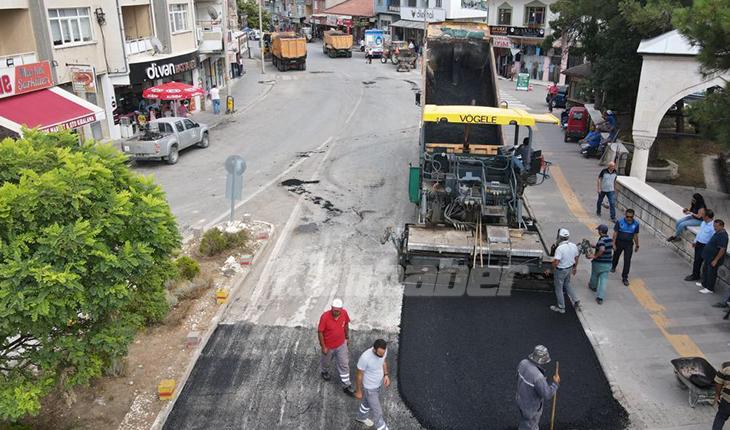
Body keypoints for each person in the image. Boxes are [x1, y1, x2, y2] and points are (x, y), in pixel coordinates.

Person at [516, 345, 559, 430]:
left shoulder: (523, 363)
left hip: (520, 401)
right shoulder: (538, 377)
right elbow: (547, 395)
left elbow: (517, 377)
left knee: (525, 422)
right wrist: (555, 383)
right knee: (531, 426)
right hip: (531, 408)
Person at [318, 298, 355, 396]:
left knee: (344, 364)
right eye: (334, 310)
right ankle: (324, 371)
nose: (336, 312)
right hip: (328, 346)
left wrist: (347, 337)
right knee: (326, 362)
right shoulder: (325, 317)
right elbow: (320, 332)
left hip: (341, 344)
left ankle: (346, 385)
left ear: (341, 309)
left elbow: (346, 324)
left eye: (338, 311)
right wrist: (323, 346)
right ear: (331, 308)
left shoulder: (344, 313)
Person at [355, 339, 390, 430]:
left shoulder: (383, 351)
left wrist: (386, 375)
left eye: (383, 353)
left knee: (367, 403)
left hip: (379, 384)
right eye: (379, 354)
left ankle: (361, 417)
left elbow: (383, 361)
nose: (381, 355)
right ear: (374, 350)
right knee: (378, 413)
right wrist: (358, 391)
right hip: (370, 388)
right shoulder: (365, 358)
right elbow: (359, 375)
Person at [550, 228, 580, 314]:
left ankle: (561, 307)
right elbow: (576, 258)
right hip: (569, 268)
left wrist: (550, 269)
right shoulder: (573, 245)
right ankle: (576, 300)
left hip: (560, 270)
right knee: (567, 284)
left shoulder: (560, 248)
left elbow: (556, 262)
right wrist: (575, 267)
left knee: (558, 288)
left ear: (559, 237)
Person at [699, 219, 728, 297]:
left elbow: (722, 249)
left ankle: (709, 288)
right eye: (714, 226)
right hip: (708, 257)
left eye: (716, 226)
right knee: (705, 270)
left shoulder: (723, 236)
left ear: (722, 226)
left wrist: (715, 260)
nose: (714, 228)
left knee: (711, 273)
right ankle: (704, 284)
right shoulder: (717, 232)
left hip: (713, 258)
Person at [612, 209, 640, 286]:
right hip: (619, 242)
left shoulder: (636, 224)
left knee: (627, 261)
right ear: (625, 215)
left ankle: (625, 277)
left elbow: (635, 235)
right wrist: (613, 243)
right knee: (616, 255)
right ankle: (613, 266)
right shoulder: (619, 222)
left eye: (631, 217)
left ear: (633, 216)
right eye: (627, 216)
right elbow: (615, 233)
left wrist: (637, 245)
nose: (629, 218)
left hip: (629, 244)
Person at [686, 209, 714, 282]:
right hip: (699, 244)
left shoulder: (713, 227)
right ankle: (695, 275)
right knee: (696, 261)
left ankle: (704, 279)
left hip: (705, 246)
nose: (701, 216)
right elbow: (700, 232)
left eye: (703, 215)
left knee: (704, 263)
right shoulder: (703, 223)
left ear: (707, 217)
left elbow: (713, 239)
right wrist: (695, 241)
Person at [589, 224, 613, 304]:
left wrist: (594, 256)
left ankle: (593, 287)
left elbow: (602, 249)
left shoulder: (601, 240)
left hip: (599, 263)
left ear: (601, 231)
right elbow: (608, 247)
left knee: (594, 275)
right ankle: (600, 297)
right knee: (603, 280)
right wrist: (595, 246)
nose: (598, 231)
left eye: (598, 230)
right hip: (608, 263)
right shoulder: (610, 239)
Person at [712, 364, 730, 430]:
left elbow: (718, 381)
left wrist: (717, 395)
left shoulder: (726, 366)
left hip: (727, 400)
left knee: (720, 417)